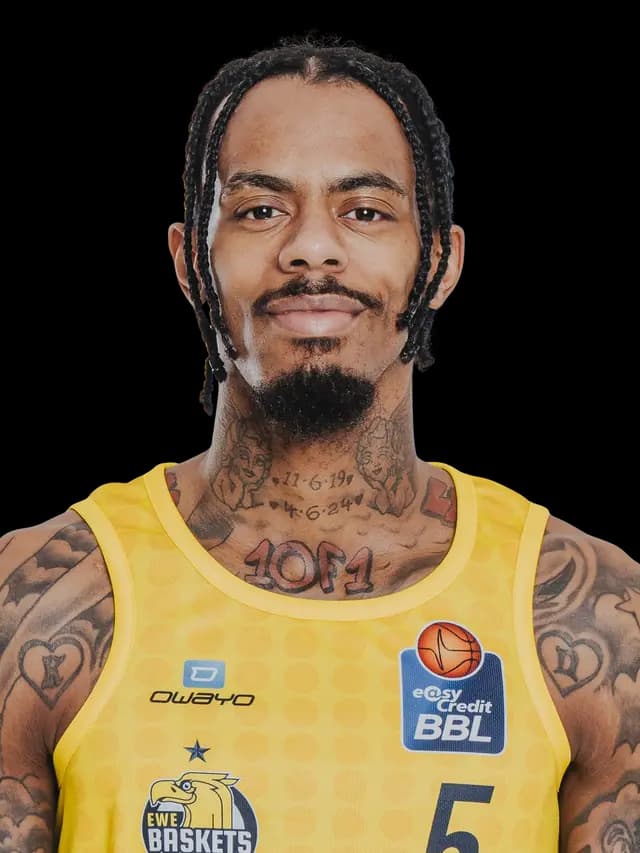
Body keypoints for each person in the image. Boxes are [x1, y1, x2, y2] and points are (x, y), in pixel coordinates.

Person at [1, 32, 638, 853]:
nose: (311, 246)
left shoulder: (590, 615)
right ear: (190, 263)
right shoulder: (39, 601)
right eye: (260, 210)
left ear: (441, 261)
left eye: (364, 211)